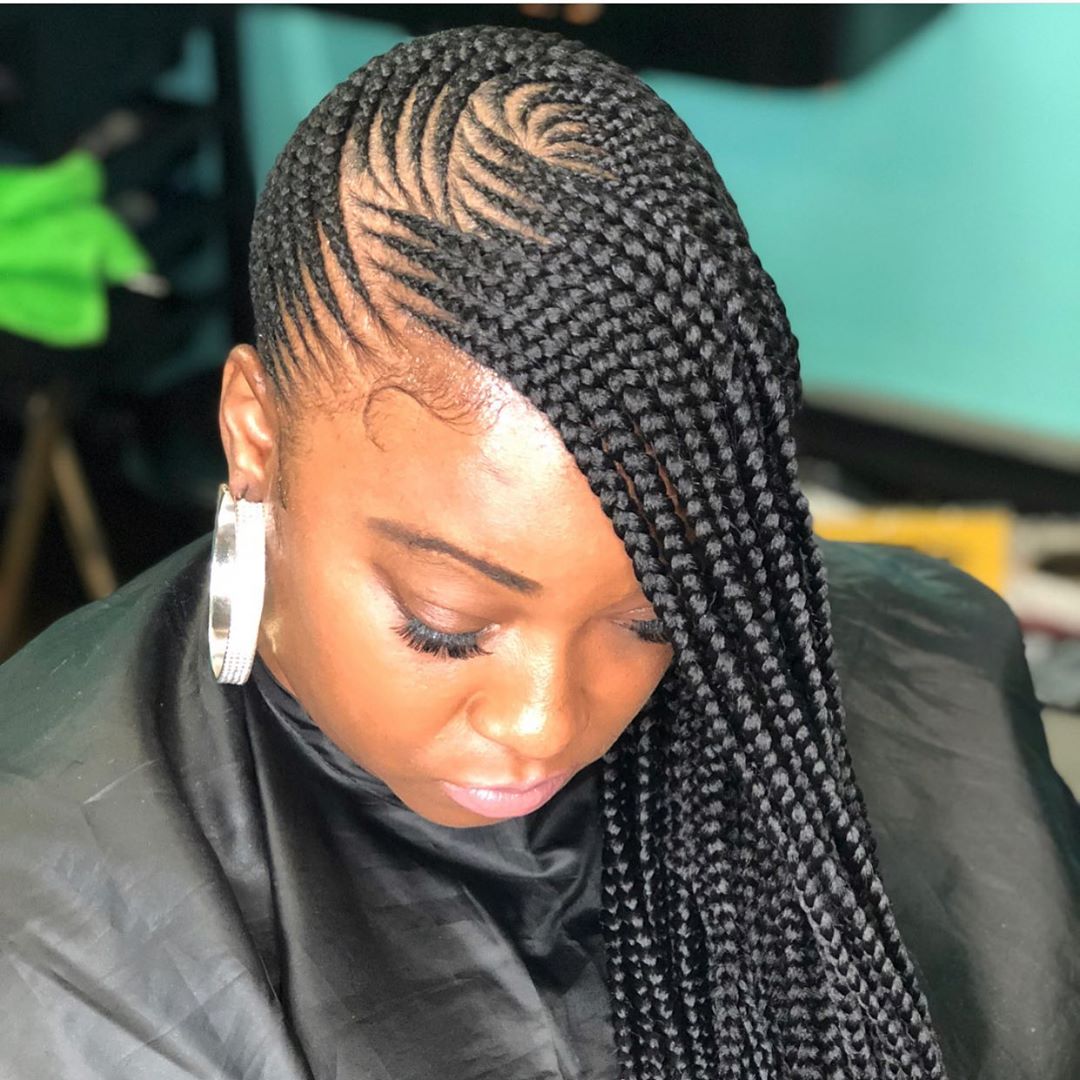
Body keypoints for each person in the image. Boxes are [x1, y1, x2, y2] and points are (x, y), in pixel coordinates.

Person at [1, 25, 1077, 1080]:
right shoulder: (52, 925)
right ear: (255, 433)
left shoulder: (940, 673)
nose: (544, 725)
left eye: (655, 615)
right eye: (446, 624)